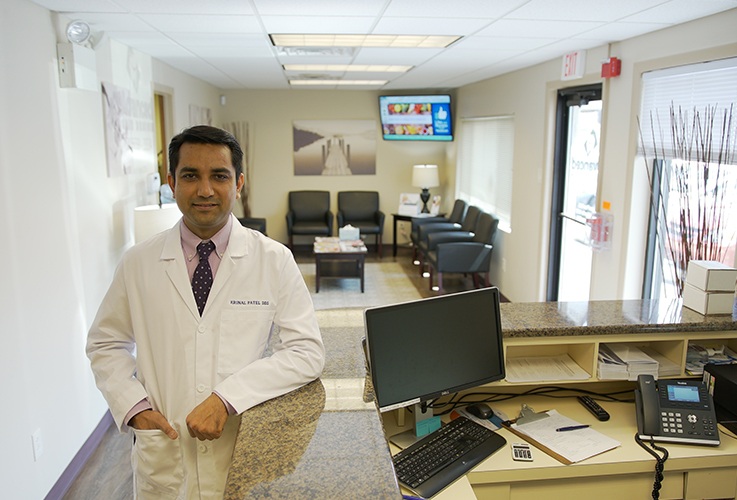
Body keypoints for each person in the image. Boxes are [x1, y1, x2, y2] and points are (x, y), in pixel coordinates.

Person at [87, 125, 325, 499]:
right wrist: (133, 408)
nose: (205, 190)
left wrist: (226, 398)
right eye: (190, 176)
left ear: (239, 182)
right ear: (171, 182)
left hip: (240, 444)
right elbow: (105, 343)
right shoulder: (138, 263)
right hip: (165, 452)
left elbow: (307, 352)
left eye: (219, 176)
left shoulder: (274, 260)